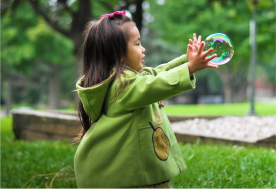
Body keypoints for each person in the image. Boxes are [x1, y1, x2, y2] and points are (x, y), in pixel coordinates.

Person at [74, 10, 217, 189]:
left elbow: (156, 73)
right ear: (119, 54)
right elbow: (155, 83)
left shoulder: (127, 79)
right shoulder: (122, 86)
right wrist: (188, 68)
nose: (143, 49)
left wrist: (187, 61)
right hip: (133, 180)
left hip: (136, 173)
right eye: (137, 44)